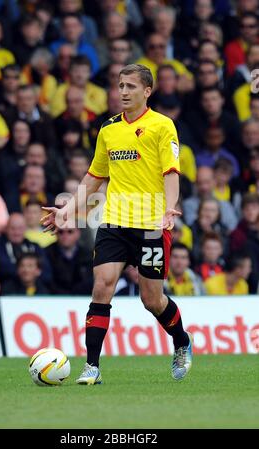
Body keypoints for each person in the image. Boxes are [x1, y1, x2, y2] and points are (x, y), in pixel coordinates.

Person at [42, 64, 193, 384]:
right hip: (114, 221)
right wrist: (67, 209)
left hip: (152, 223)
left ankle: (181, 341)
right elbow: (95, 176)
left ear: (147, 91)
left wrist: (169, 209)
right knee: (101, 286)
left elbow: (171, 173)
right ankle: (92, 367)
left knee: (152, 299)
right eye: (120, 86)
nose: (123, 92)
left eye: (130, 86)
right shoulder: (108, 129)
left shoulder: (163, 126)